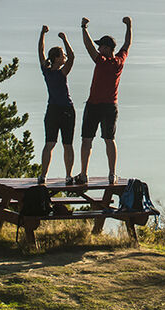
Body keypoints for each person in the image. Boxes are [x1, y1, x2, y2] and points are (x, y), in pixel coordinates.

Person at [76, 15, 131, 185]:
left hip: (95, 106)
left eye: (101, 46)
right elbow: (127, 44)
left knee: (88, 140)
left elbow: (88, 46)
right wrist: (129, 26)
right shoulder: (119, 61)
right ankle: (111, 174)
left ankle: (85, 174)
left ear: (107, 48)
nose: (98, 49)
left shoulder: (101, 61)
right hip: (109, 107)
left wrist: (84, 28)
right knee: (108, 139)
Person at [37, 25, 75, 184]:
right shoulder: (61, 73)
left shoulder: (46, 71)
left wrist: (42, 34)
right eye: (62, 55)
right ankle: (68, 175)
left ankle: (43, 175)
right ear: (58, 58)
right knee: (67, 144)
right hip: (66, 109)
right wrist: (65, 39)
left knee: (49, 143)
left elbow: (40, 51)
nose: (65, 57)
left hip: (52, 110)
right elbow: (72, 57)